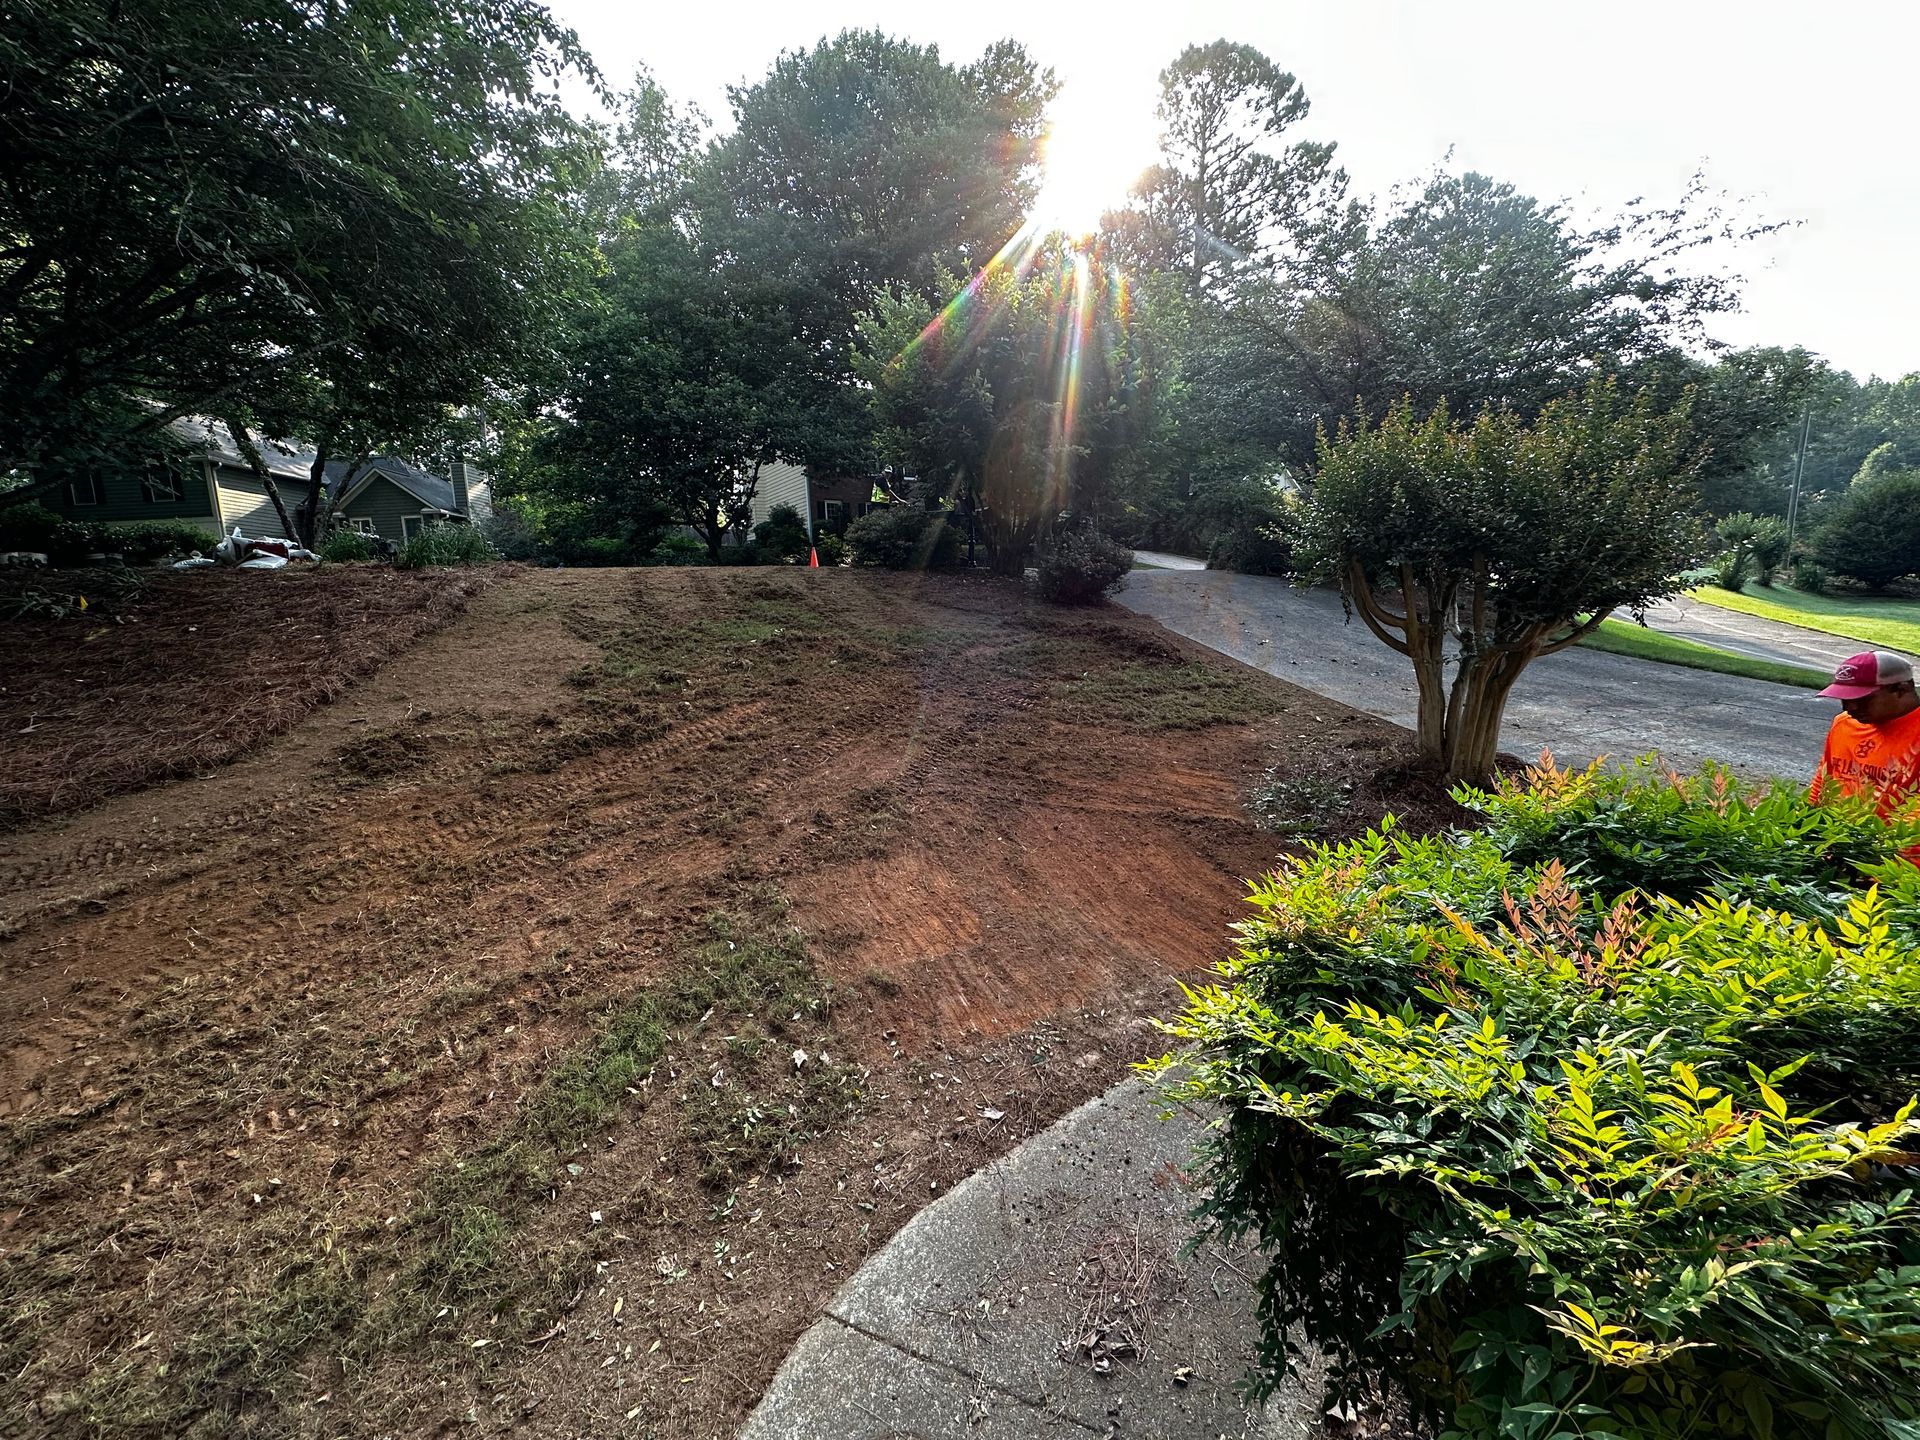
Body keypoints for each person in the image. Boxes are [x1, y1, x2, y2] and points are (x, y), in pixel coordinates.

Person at [1810, 652, 1920, 840]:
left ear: (1902, 689)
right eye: (1844, 699)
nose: (1849, 708)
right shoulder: (1843, 723)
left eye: (1862, 699)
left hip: (1891, 858)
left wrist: (1881, 855)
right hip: (1837, 845)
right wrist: (1809, 827)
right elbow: (1824, 780)